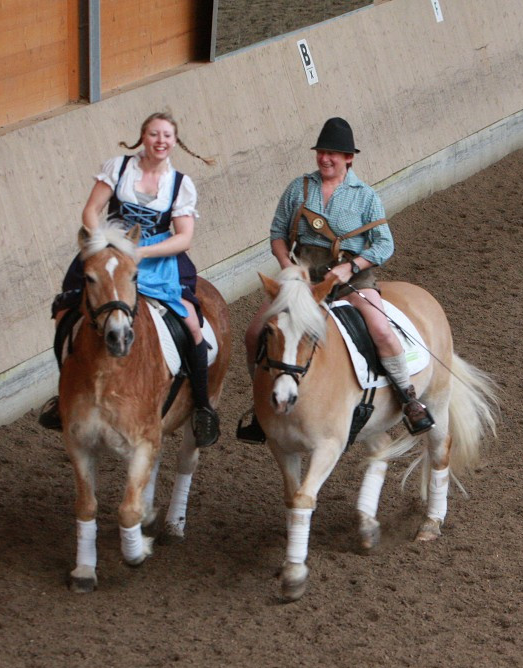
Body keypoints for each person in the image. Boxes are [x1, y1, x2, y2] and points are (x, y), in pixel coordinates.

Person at [237, 117, 434, 443]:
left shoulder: (365, 196)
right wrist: (288, 266)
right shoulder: (299, 188)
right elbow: (277, 234)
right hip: (302, 280)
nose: (325, 159)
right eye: (321, 152)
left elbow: (384, 244)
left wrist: (351, 267)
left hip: (350, 279)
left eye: (333, 154)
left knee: (381, 329)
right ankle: (262, 406)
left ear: (348, 158)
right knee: (255, 332)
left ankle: (408, 397)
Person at [39, 112, 221, 447]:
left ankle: (202, 405)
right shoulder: (118, 167)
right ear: (143, 137)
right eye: (154, 134)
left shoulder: (180, 185)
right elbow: (91, 210)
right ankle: (65, 391)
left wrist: (139, 254)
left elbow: (184, 238)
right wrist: (104, 244)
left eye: (167, 135)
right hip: (110, 251)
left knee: (193, 322)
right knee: (66, 313)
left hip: (155, 257)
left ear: (174, 141)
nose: (160, 141)